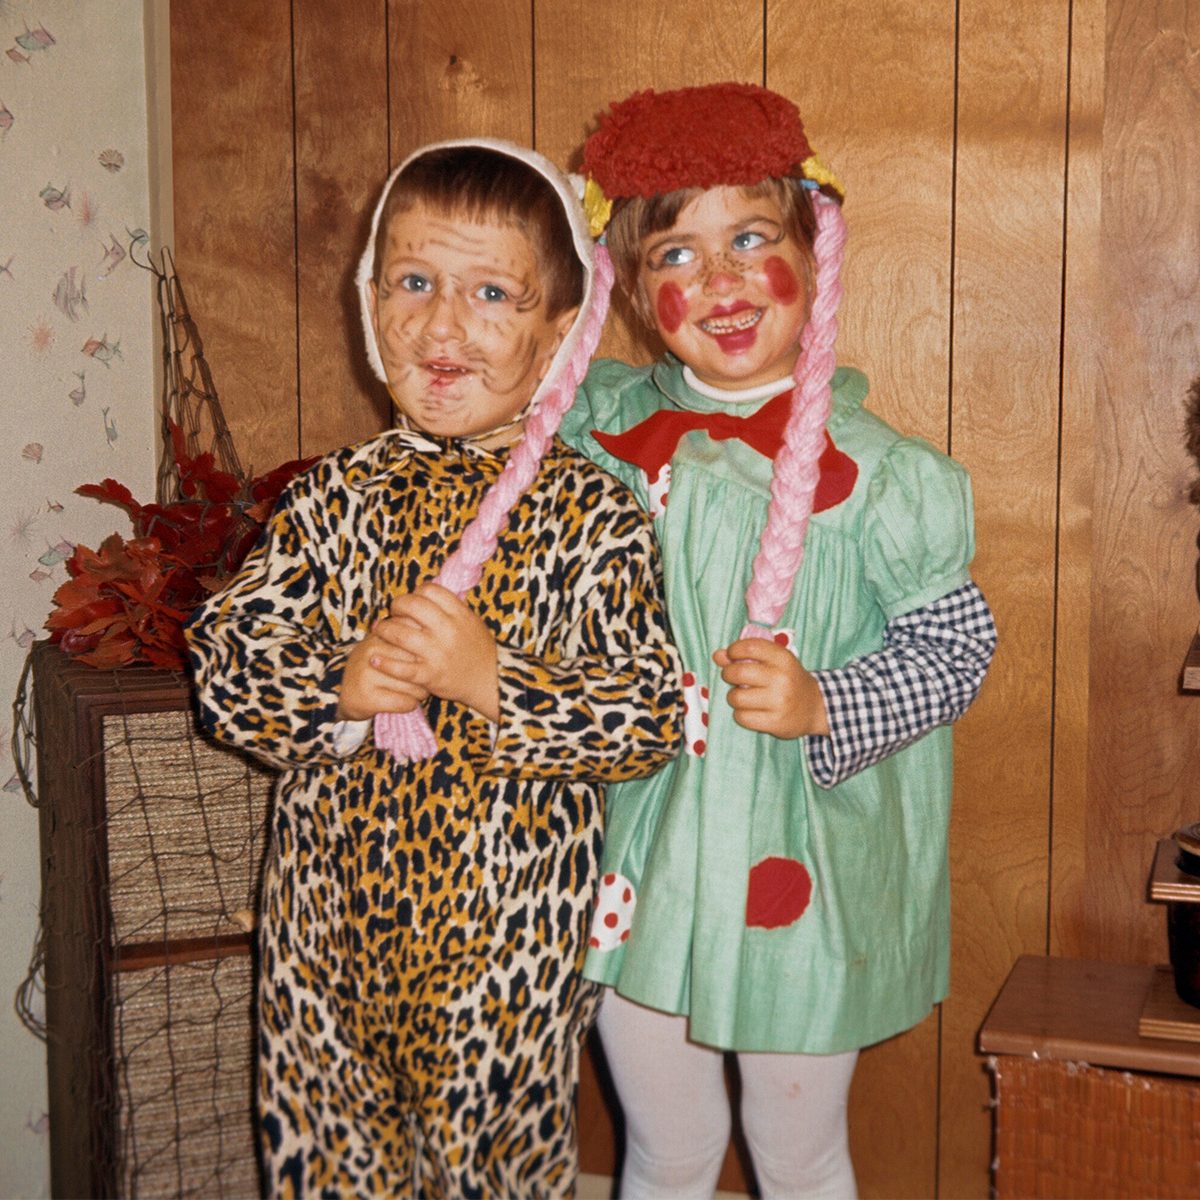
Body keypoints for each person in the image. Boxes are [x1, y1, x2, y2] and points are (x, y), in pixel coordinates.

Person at [185, 138, 682, 1199]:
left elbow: (645, 714)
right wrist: (340, 689)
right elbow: (227, 665)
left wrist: (493, 675)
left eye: (492, 293)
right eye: (414, 283)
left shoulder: (591, 513)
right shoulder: (330, 500)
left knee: (488, 1175)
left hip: (505, 958)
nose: (444, 325)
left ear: (558, 337)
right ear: (371, 304)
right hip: (327, 948)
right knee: (327, 1169)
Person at [560, 83, 998, 1199]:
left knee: (799, 1157)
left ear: (813, 245)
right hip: (643, 866)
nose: (717, 282)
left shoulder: (888, 479)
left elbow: (956, 648)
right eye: (677, 253)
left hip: (794, 865)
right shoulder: (602, 430)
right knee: (665, 1149)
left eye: (750, 239)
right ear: (629, 284)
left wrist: (827, 703)